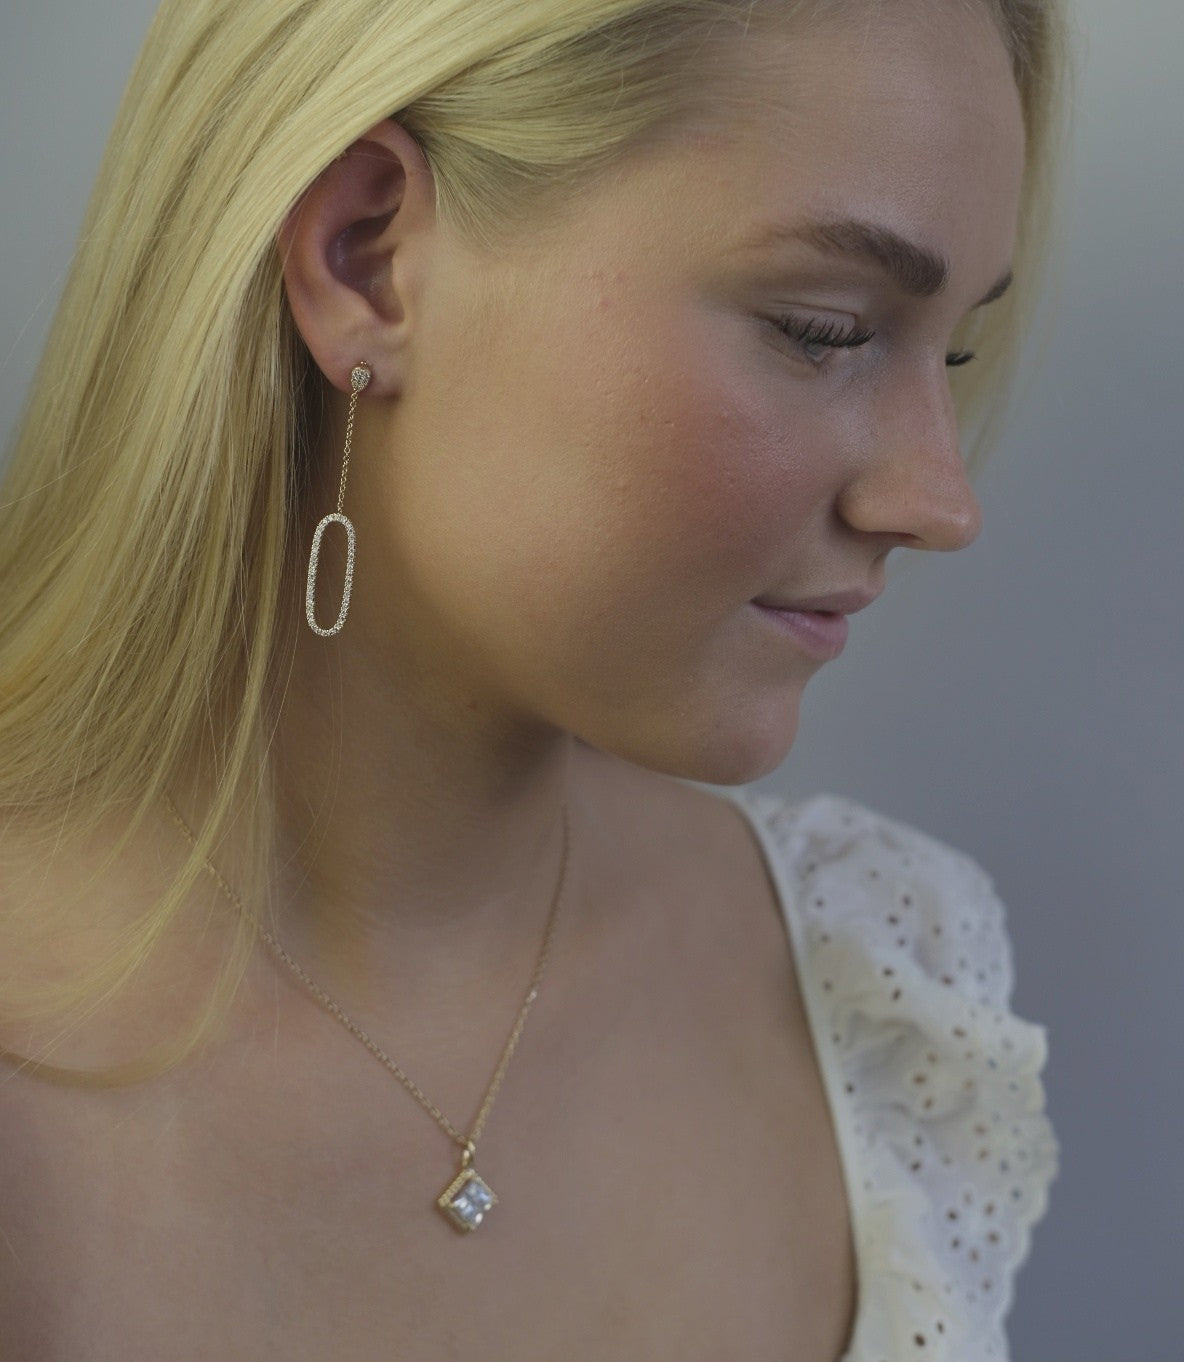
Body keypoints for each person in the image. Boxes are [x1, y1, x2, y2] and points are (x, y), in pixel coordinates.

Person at [0, 0, 1067, 1356]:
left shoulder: (874, 992)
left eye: (952, 352)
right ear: (368, 257)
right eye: (825, 328)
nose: (940, 502)